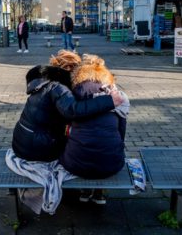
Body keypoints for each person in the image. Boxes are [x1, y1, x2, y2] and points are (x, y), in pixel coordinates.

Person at [12, 63, 123, 162]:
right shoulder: (56, 87)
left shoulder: (41, 88)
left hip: (21, 145)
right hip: (37, 150)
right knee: (76, 146)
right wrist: (110, 100)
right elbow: (73, 110)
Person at [60, 54, 129, 204]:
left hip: (76, 165)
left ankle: (85, 191)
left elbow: (66, 129)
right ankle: (99, 193)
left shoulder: (73, 96)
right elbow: (121, 132)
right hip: (112, 164)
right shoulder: (116, 97)